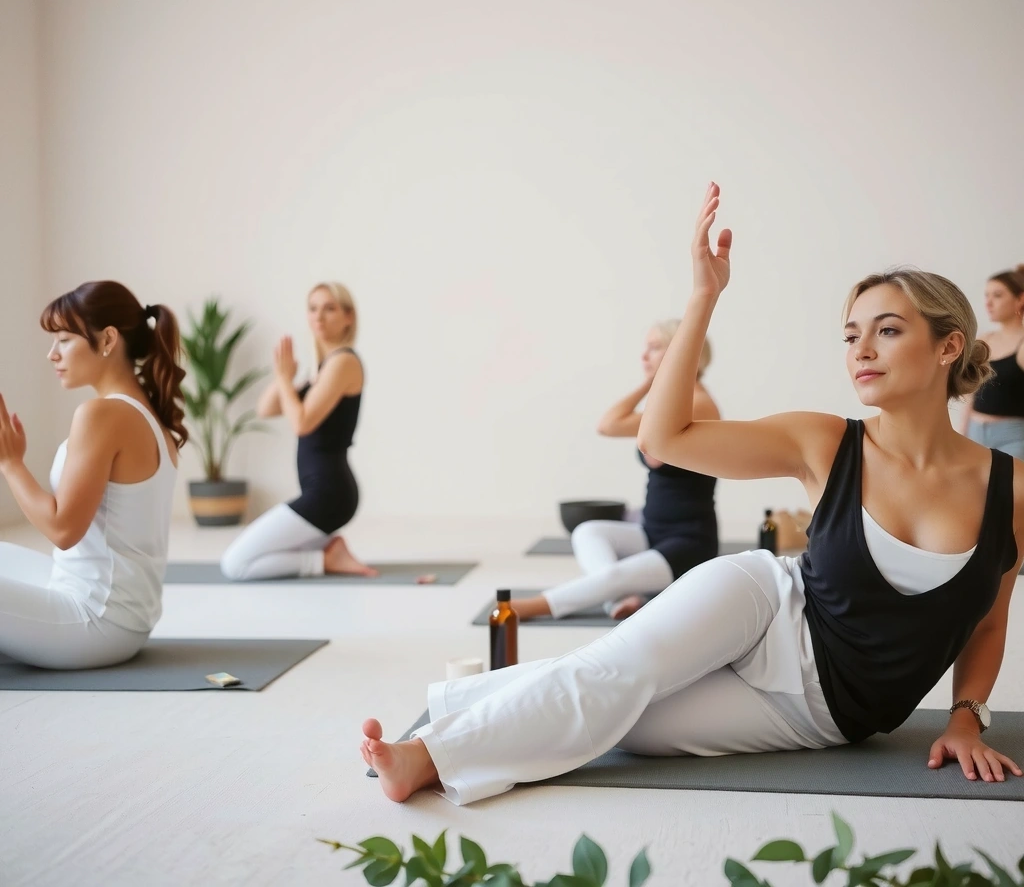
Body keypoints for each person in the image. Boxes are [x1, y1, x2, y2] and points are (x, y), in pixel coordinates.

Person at [361, 182, 1023, 805]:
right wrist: (703, 296)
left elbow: (990, 621)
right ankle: (423, 756)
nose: (861, 351)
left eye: (887, 330)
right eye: (851, 335)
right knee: (615, 676)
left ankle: (461, 709)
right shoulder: (825, 443)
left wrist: (967, 719)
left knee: (625, 726)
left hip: (823, 708)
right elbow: (667, 435)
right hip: (767, 599)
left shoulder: (1011, 489)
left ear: (948, 347)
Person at [0, 281, 184, 669]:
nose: (52, 354)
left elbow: (63, 530)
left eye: (64, 340)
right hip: (122, 616)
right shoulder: (149, 416)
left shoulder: (103, 414)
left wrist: (11, 464)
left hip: (95, 621)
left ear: (107, 339)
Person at [513, 324, 719, 621]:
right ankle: (622, 599)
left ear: (681, 352)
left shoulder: (697, 405)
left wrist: (662, 388)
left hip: (689, 543)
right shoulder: (673, 401)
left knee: (616, 575)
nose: (643, 355)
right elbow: (607, 425)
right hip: (652, 530)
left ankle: (534, 607)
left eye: (655, 347)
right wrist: (651, 384)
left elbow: (655, 458)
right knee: (587, 532)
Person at [220, 282, 376, 580]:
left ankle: (324, 560)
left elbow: (302, 423)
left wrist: (284, 378)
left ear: (348, 317)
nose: (319, 316)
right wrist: (285, 378)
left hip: (329, 494)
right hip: (324, 492)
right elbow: (266, 408)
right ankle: (331, 551)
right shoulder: (320, 370)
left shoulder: (343, 362)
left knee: (235, 565)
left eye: (330, 308)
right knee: (247, 559)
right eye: (313, 308)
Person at [962, 267, 1024, 460]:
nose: (988, 303)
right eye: (986, 295)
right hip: (975, 433)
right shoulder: (983, 341)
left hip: (1013, 437)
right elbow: (971, 395)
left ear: (1020, 299)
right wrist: (962, 434)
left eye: (997, 295)